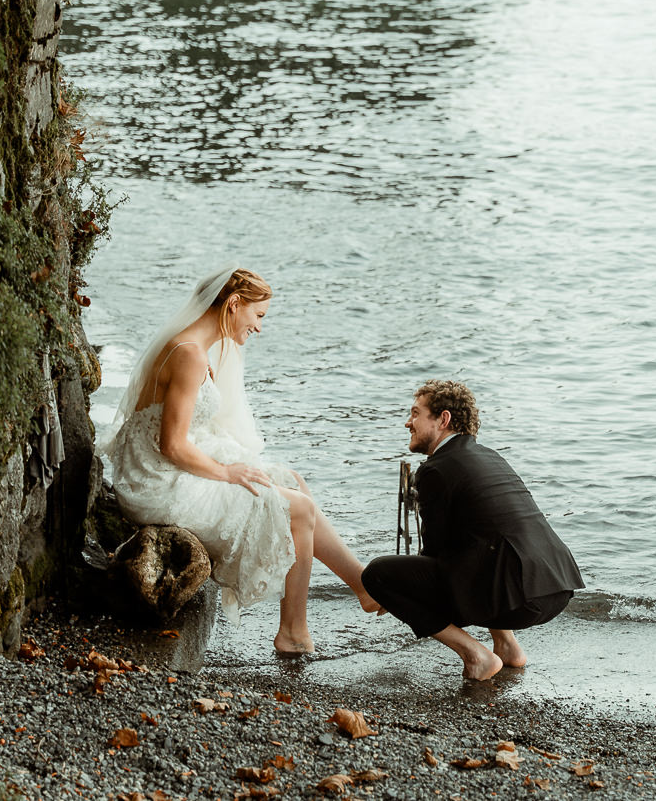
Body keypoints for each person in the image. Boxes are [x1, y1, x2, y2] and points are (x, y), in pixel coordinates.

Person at [101, 265, 380, 655]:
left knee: (290, 480)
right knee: (296, 509)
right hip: (156, 479)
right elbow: (172, 445)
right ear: (234, 304)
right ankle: (294, 632)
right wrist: (228, 472)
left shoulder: (196, 350)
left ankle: (361, 584)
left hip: (163, 462)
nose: (260, 327)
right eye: (258, 315)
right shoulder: (189, 355)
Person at [362, 380, 584, 680]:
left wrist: (397, 591)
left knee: (376, 574)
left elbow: (435, 553)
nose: (407, 422)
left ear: (443, 420)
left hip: (519, 599)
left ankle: (476, 655)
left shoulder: (435, 469)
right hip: (556, 586)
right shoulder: (490, 456)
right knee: (479, 547)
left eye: (416, 414)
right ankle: (507, 646)